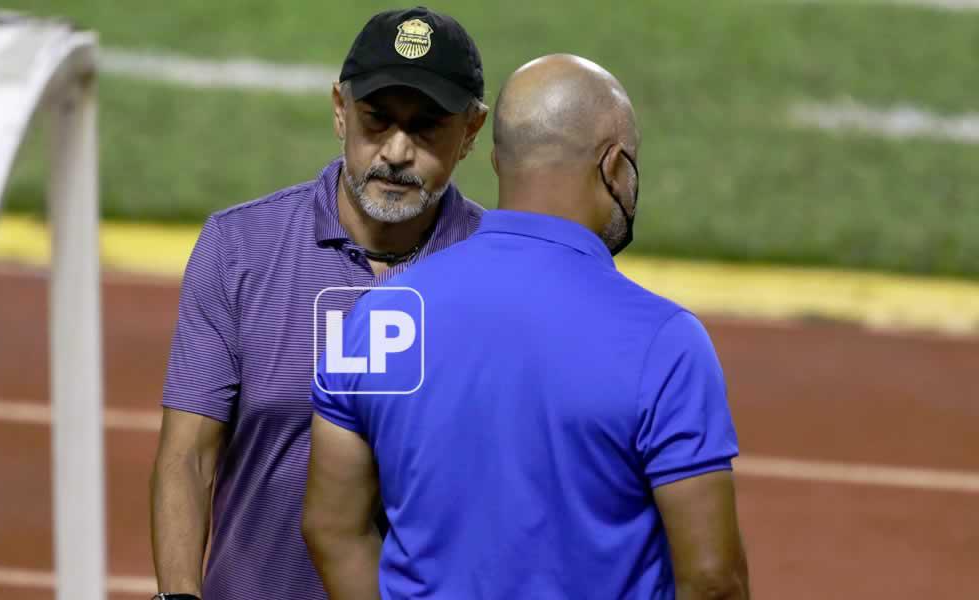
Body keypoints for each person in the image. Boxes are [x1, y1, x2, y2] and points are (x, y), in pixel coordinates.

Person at [304, 54, 750, 599]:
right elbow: (712, 579)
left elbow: (331, 525)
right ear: (613, 167)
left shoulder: (378, 315)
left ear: (497, 161)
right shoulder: (665, 342)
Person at [149, 7, 488, 600]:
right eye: (377, 121)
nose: (397, 152)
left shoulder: (499, 267)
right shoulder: (237, 250)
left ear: (471, 132)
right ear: (339, 109)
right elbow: (188, 456)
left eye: (427, 127)